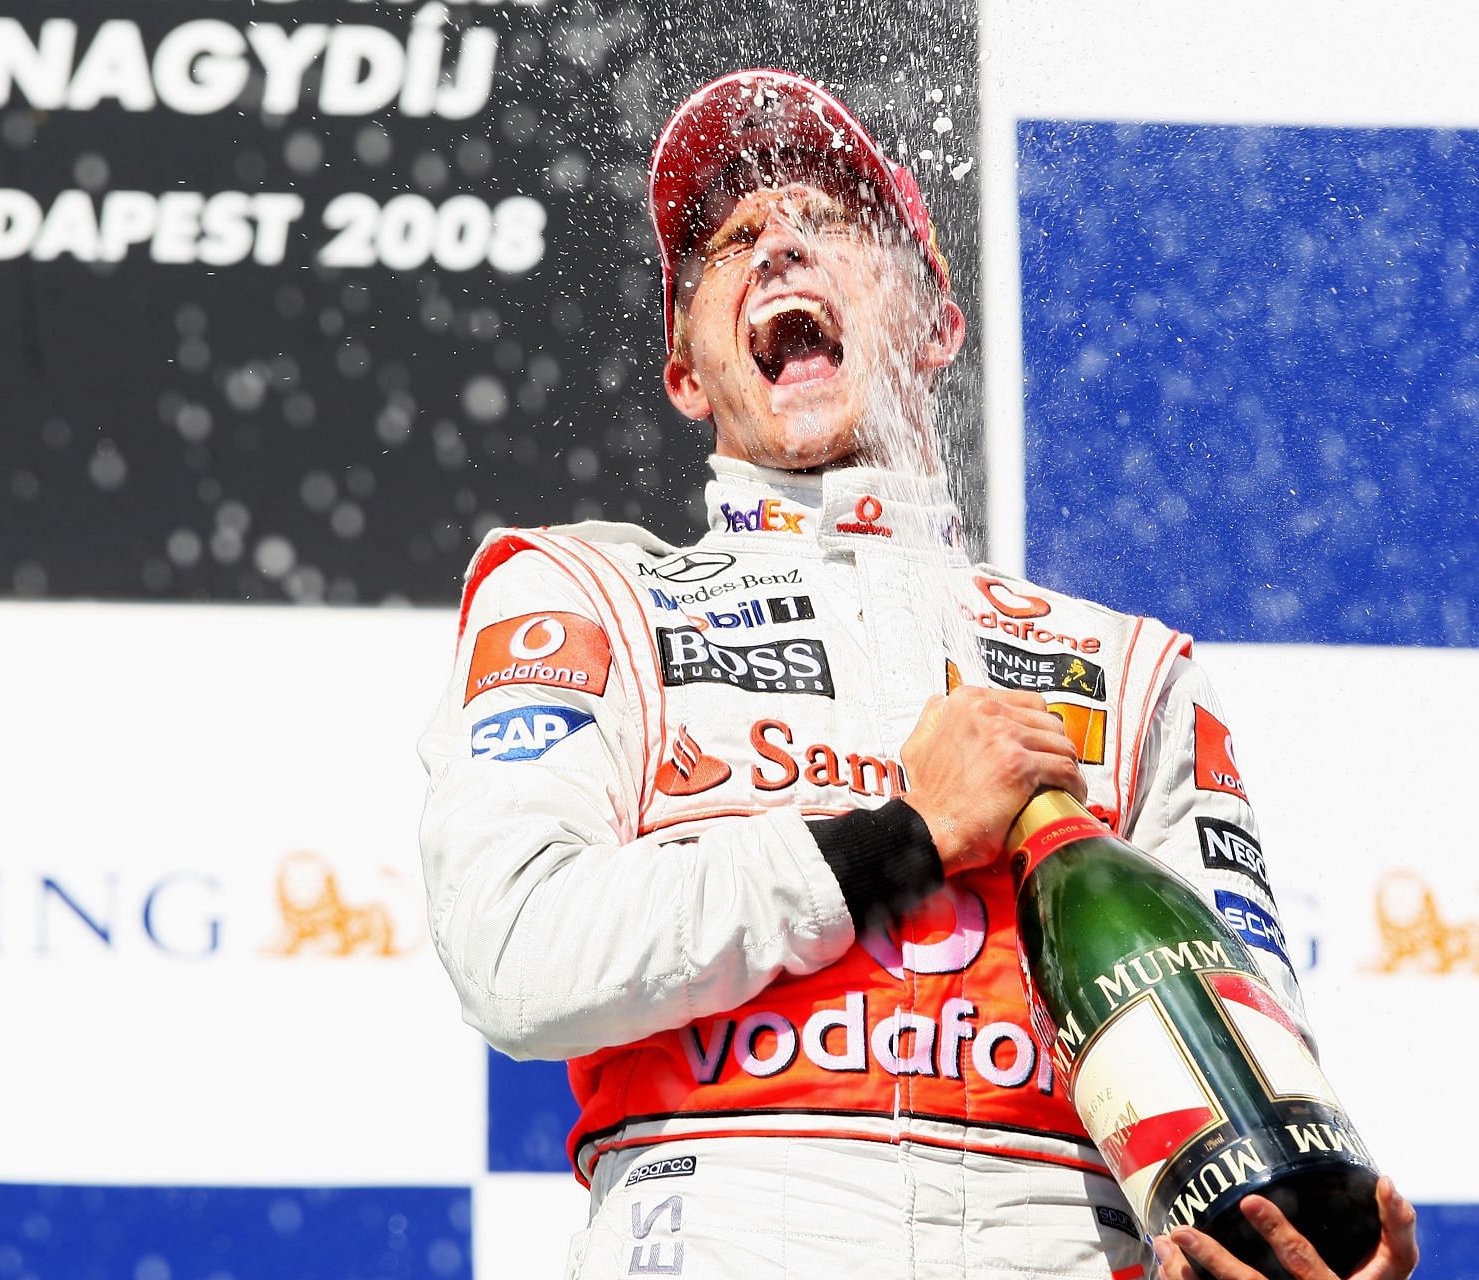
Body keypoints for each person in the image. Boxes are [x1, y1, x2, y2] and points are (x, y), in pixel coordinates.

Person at [419, 68, 1418, 1280]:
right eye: (729, 242)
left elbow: (1242, 1070)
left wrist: (1286, 1241)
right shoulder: (587, 597)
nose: (778, 243)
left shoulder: (1129, 667)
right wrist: (905, 837)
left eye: (829, 219)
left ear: (938, 316)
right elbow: (517, 955)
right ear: (687, 371)